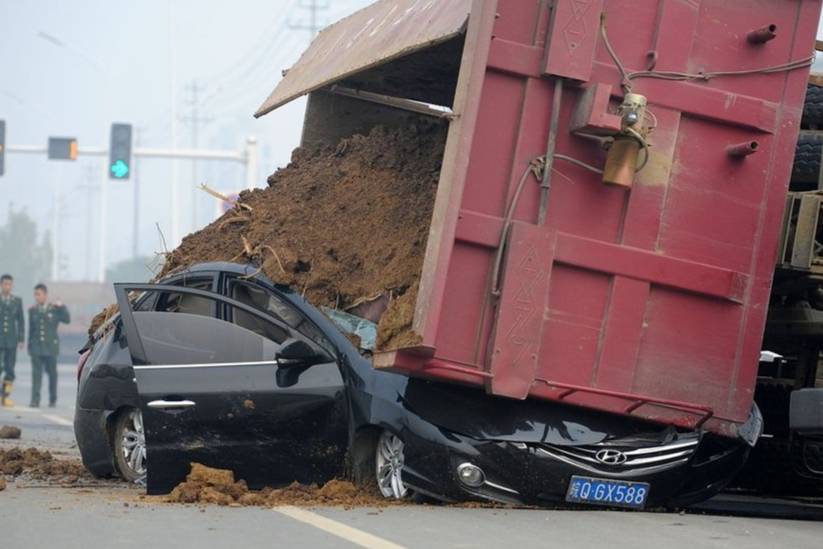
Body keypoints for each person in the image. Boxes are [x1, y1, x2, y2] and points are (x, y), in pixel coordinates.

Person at [27, 284, 70, 408]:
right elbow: (31, 330)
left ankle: (53, 399)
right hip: (36, 347)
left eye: (39, 294)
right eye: (35, 294)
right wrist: (29, 345)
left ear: (45, 295)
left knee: (52, 374)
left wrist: (62, 306)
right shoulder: (32, 310)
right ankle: (35, 400)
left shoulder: (55, 309)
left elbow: (67, 320)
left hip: (51, 347)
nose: (36, 297)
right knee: (36, 375)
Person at [0, 274, 24, 407]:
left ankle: (6, 397)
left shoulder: (17, 301)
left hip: (11, 340)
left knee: (10, 369)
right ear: (1, 285)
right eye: (5, 284)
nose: (7, 287)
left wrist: (21, 339)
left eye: (9, 284)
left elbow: (21, 321)